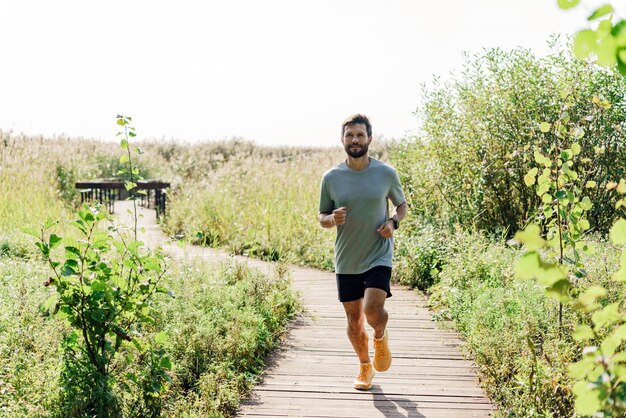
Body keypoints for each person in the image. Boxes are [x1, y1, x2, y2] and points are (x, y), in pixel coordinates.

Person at [318, 114, 407, 390]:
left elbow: (401, 206)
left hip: (378, 253)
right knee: (354, 321)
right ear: (342, 139)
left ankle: (380, 336)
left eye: (359, 135)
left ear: (370, 138)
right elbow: (321, 216)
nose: (354, 140)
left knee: (372, 309)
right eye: (349, 135)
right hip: (347, 258)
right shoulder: (331, 177)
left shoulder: (386, 173)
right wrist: (332, 218)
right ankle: (365, 366)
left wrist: (393, 222)